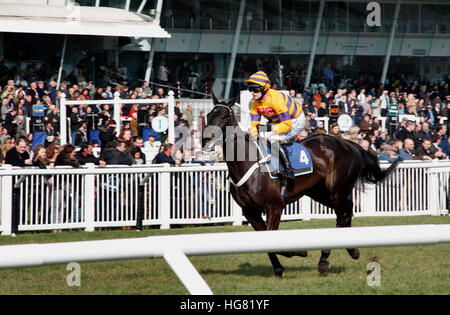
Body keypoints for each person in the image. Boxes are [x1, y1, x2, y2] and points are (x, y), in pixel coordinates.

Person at [246, 71, 305, 178]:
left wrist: (267, 128)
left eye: (255, 89)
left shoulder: (276, 99)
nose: (252, 92)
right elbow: (255, 127)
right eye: (250, 89)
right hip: (279, 121)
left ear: (265, 89)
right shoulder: (255, 105)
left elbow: (287, 125)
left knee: (273, 138)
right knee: (261, 136)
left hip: (295, 121)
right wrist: (251, 134)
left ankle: (288, 169)